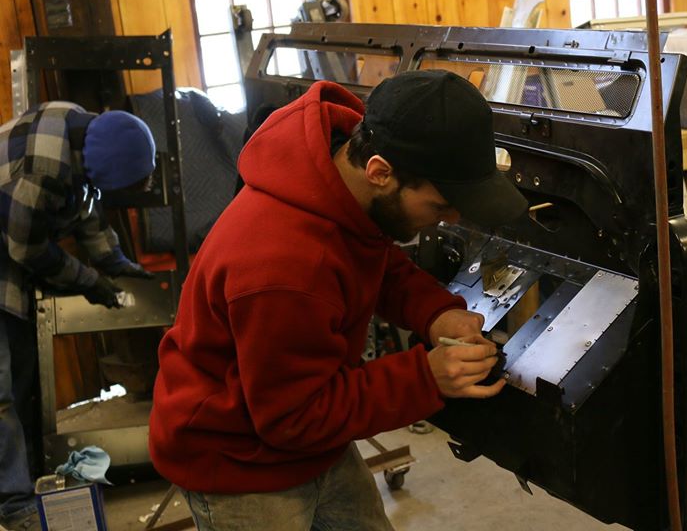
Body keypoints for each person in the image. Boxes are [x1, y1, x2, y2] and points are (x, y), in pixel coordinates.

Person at [149, 70, 528, 531]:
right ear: (381, 172)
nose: (447, 219)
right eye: (439, 206)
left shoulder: (334, 181)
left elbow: (375, 261)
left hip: (310, 437)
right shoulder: (284, 266)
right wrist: (424, 378)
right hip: (238, 459)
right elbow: (294, 416)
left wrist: (436, 313)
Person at [0, 102, 157, 530]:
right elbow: (28, 249)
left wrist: (116, 263)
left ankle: (27, 483)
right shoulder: (41, 171)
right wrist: (89, 281)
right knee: (2, 392)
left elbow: (87, 204)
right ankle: (13, 505)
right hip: (7, 252)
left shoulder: (84, 133)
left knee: (23, 380)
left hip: (9, 248)